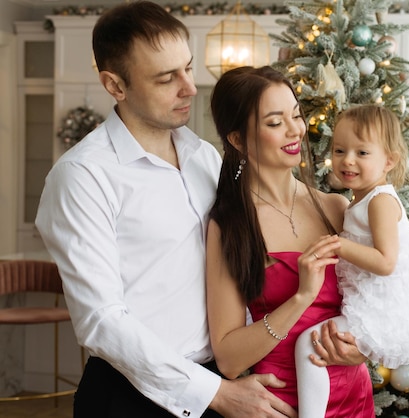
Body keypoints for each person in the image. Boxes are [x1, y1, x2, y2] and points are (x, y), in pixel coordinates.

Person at [35, 2, 296, 418]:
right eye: (166, 78)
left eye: (188, 68)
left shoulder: (206, 158)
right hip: (131, 398)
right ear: (115, 85)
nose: (190, 87)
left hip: (228, 381)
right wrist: (215, 393)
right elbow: (102, 321)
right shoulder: (82, 176)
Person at [205, 65, 375, 417]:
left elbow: (380, 301)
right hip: (285, 405)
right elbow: (229, 359)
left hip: (354, 398)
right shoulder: (231, 226)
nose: (295, 129)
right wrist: (301, 297)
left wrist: (366, 348)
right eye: (274, 122)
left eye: (296, 115)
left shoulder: (336, 207)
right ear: (237, 140)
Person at [295, 104, 409, 418]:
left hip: (384, 313)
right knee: (316, 343)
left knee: (310, 343)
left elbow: (386, 262)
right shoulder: (359, 200)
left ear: (389, 160)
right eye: (340, 149)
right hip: (371, 305)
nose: (347, 160)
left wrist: (340, 246)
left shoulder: (380, 201)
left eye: (362, 152)